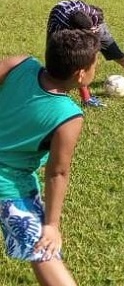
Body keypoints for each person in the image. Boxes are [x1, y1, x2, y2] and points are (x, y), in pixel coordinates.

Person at [0, 29, 100, 286]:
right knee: (43, 249)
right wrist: (52, 225)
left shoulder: (20, 64)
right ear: (80, 74)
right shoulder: (67, 115)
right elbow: (57, 172)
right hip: (9, 187)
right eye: (95, 63)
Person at [47, 0, 124, 107]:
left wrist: (94, 31)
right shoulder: (62, 27)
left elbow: (97, 19)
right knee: (70, 60)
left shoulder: (93, 16)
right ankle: (83, 98)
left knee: (117, 54)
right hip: (62, 23)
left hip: (91, 24)